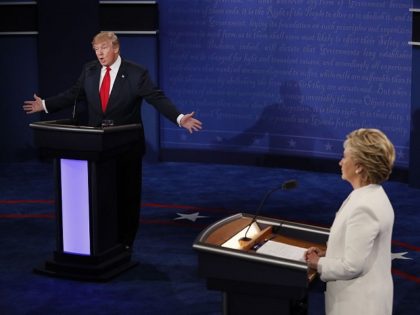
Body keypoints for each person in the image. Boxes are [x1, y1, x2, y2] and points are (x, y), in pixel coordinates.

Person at [23, 31, 202, 251]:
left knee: (127, 196)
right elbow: (73, 94)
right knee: (102, 196)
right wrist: (46, 105)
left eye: (104, 48)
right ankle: (103, 240)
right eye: (96, 49)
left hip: (126, 147)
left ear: (116, 48)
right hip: (97, 147)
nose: (99, 53)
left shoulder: (136, 73)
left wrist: (180, 117)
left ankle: (125, 242)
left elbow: (156, 98)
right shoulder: (89, 70)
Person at [305, 128, 395, 315]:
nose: (340, 162)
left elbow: (352, 266)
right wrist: (328, 254)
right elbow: (362, 248)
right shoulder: (372, 195)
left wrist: (317, 263)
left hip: (358, 305)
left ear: (359, 166)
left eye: (345, 157)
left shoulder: (364, 207)